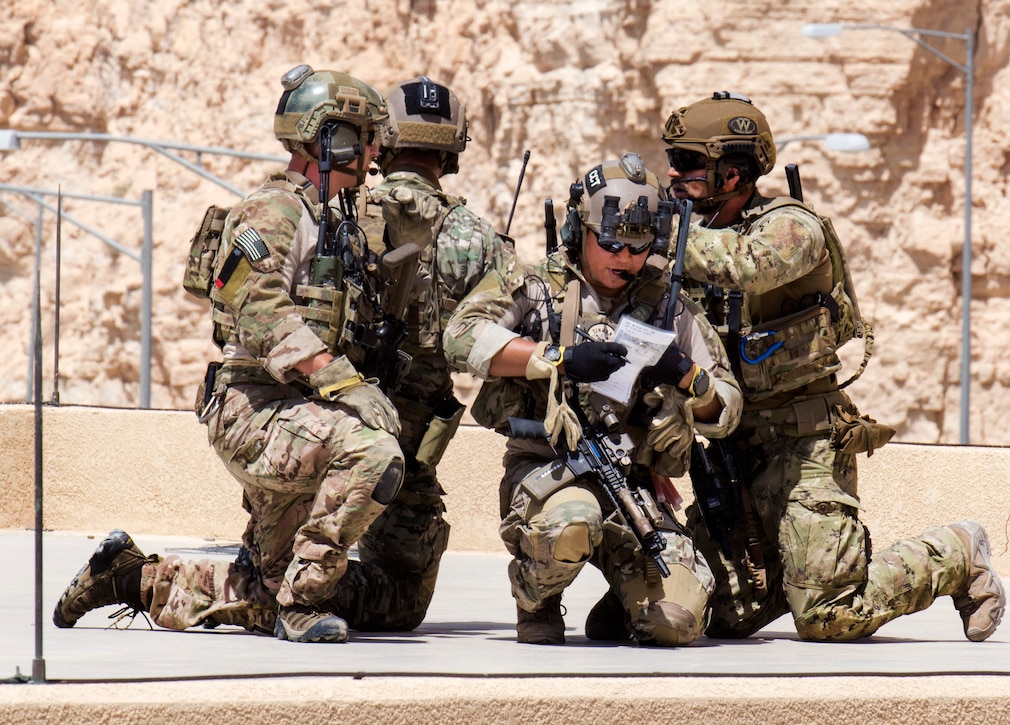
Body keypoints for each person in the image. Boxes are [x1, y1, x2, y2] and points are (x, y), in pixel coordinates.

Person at [53, 64, 405, 644]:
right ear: (329, 137)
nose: (372, 152)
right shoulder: (274, 210)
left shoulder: (332, 217)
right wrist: (345, 384)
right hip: (254, 410)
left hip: (297, 413)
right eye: (363, 137)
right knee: (373, 451)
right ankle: (303, 604)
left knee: (259, 596)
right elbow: (259, 308)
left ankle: (125, 577)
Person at [662, 90, 1006, 642]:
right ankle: (800, 573)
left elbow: (745, 267)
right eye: (672, 161)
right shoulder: (689, 241)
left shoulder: (791, 227)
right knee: (716, 617)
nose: (674, 175)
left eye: (688, 164)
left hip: (806, 446)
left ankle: (955, 553)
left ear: (732, 172)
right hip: (735, 446)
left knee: (830, 617)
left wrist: (656, 232)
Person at [443, 153, 743, 646]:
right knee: (571, 524)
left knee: (679, 622)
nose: (624, 259)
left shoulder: (667, 302)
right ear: (578, 230)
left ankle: (626, 605)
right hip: (550, 473)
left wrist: (688, 376)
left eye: (638, 247)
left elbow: (727, 410)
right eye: (610, 244)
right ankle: (534, 598)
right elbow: (461, 336)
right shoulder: (538, 286)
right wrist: (557, 357)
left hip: (632, 485)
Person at [342, 75, 518, 630]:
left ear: (385, 140)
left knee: (280, 567)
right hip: (404, 457)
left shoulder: (339, 212)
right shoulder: (477, 239)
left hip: (317, 440)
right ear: (454, 148)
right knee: (398, 605)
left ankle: (275, 581)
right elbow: (508, 340)